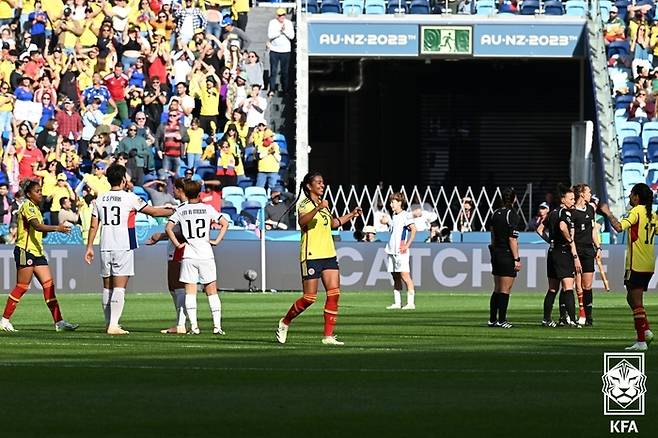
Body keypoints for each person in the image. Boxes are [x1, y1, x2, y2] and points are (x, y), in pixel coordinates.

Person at [84, 164, 173, 335]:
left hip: (105, 245)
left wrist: (89, 247)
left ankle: (108, 322)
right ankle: (114, 325)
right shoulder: (130, 198)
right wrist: (174, 211)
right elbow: (153, 212)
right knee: (119, 287)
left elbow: (94, 225)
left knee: (107, 286)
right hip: (123, 245)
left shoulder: (100, 198)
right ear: (124, 179)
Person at [275, 172, 362, 346]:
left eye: (323, 182)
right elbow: (302, 222)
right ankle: (285, 322)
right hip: (311, 254)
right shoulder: (305, 204)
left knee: (334, 293)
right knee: (309, 298)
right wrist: (318, 208)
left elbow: (333, 224)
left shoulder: (323, 204)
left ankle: (328, 336)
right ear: (309, 186)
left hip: (328, 253)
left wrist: (351, 215)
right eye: (319, 183)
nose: (322, 185)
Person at [0, 179, 78, 333]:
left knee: (49, 286)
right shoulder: (27, 206)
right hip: (25, 250)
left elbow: (39, 229)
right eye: (37, 191)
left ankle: (59, 322)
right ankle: (4, 320)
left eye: (41, 191)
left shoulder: (35, 207)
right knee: (22, 286)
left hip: (37, 251)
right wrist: (57, 228)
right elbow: (36, 226)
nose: (40, 194)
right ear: (29, 194)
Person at [165, 179, 229, 335]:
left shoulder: (181, 210)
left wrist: (178, 244)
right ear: (199, 193)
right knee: (212, 291)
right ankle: (217, 327)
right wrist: (216, 241)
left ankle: (194, 327)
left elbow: (168, 228)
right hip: (206, 253)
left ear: (185, 193)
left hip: (189, 255)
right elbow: (225, 223)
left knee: (190, 291)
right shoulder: (207, 208)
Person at [599, 184, 656, 351]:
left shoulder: (636, 211)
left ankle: (641, 341)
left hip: (636, 263)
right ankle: (645, 331)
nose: (630, 198)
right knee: (631, 299)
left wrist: (608, 212)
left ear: (637, 197)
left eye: (632, 195)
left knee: (636, 302)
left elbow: (618, 227)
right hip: (649, 263)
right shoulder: (652, 214)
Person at [146, 177, 189, 334]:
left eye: (174, 189)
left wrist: (161, 236)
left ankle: (181, 324)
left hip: (179, 249)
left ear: (179, 190)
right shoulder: (185, 207)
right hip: (182, 249)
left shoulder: (183, 209)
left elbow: (182, 231)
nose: (172, 191)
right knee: (176, 287)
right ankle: (181, 322)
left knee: (177, 286)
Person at [536, 184, 581, 328]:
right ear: (563, 200)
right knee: (568, 287)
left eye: (574, 199)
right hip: (562, 252)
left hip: (552, 252)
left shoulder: (552, 212)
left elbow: (539, 229)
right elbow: (562, 227)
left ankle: (546, 319)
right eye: (571, 199)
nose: (573, 201)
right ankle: (573, 320)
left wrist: (549, 240)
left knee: (552, 288)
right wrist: (569, 240)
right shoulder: (563, 213)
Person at [486, 188, 521, 328]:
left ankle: (492, 319)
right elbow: (512, 239)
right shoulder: (512, 215)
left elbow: (492, 234)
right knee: (505, 289)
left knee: (497, 288)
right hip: (506, 254)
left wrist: (494, 249)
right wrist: (516, 259)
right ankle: (502, 320)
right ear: (514, 199)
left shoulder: (495, 213)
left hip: (496, 253)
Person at [571, 184, 601, 326]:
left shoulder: (590, 209)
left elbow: (593, 229)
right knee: (577, 285)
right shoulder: (572, 212)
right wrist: (574, 253)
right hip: (576, 249)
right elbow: (571, 235)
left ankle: (588, 316)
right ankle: (579, 312)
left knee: (587, 284)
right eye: (588, 192)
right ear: (582, 194)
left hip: (589, 250)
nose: (590, 194)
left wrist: (598, 247)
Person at [384, 192, 417, 310]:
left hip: (400, 251)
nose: (391, 204)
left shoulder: (405, 215)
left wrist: (407, 245)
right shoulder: (394, 216)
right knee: (395, 277)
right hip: (392, 250)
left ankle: (411, 303)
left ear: (400, 203)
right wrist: (386, 222)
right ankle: (397, 303)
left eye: (393, 202)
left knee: (405, 276)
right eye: (391, 202)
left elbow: (413, 230)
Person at [267, 8, 294, 94]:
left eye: (283, 15)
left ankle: (285, 89)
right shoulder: (272, 22)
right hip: (274, 50)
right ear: (277, 16)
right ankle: (272, 89)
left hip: (286, 51)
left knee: (285, 72)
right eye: (280, 15)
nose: (282, 17)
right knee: (273, 71)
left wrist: (284, 31)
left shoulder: (289, 23)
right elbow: (270, 35)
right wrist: (279, 31)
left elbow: (292, 36)